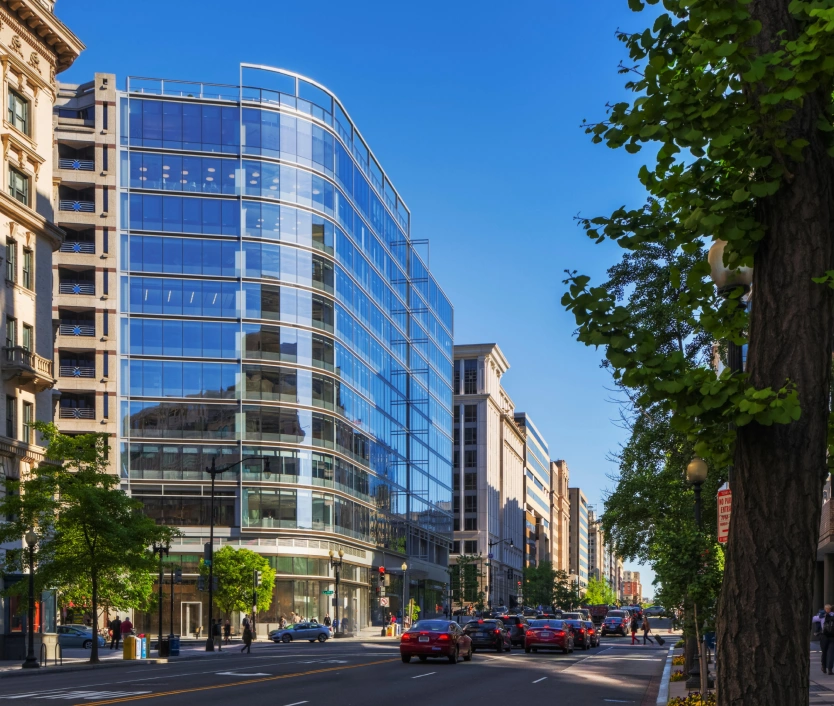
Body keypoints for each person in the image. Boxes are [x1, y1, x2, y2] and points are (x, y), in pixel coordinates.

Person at [820, 605, 834, 674]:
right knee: (831, 653)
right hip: (832, 637)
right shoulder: (833, 616)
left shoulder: (821, 616)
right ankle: (830, 669)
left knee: (824, 652)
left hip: (824, 636)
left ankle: (823, 667)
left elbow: (813, 619)